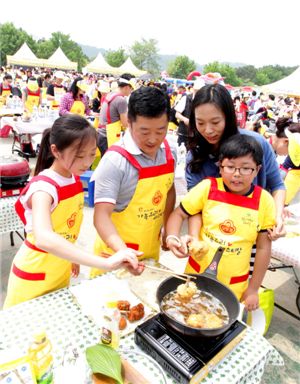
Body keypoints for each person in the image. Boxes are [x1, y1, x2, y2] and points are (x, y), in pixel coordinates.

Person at [4, 115, 143, 308]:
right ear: (56, 151)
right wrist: (103, 263)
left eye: (92, 153)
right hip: (35, 273)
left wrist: (72, 257)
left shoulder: (72, 178)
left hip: (60, 267)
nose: (87, 162)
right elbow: (44, 237)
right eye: (79, 156)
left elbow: (66, 228)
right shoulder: (43, 188)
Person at [166, 134, 275, 311]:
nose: (237, 174)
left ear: (257, 169)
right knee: (187, 313)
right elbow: (179, 214)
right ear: (220, 167)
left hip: (233, 284)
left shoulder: (264, 201)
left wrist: (254, 289)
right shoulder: (207, 188)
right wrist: (171, 237)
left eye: (246, 168)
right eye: (230, 167)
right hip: (195, 275)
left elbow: (263, 247)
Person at [90, 86, 176, 277]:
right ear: (129, 122)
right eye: (144, 132)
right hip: (115, 254)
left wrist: (168, 229)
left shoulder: (170, 153)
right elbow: (101, 216)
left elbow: (169, 190)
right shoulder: (115, 161)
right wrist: (123, 253)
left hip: (150, 251)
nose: (153, 140)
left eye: (160, 130)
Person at [186, 84, 286, 240]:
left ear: (228, 117)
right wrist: (194, 238)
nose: (208, 130)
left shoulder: (257, 144)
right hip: (212, 239)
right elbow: (194, 207)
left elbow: (277, 185)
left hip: (253, 237)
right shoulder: (195, 156)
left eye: (215, 122)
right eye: (200, 123)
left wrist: (277, 217)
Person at [97, 73, 134, 156]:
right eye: (131, 89)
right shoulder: (121, 100)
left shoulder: (111, 94)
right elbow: (125, 123)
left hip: (100, 134)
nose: (131, 91)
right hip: (108, 136)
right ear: (127, 87)